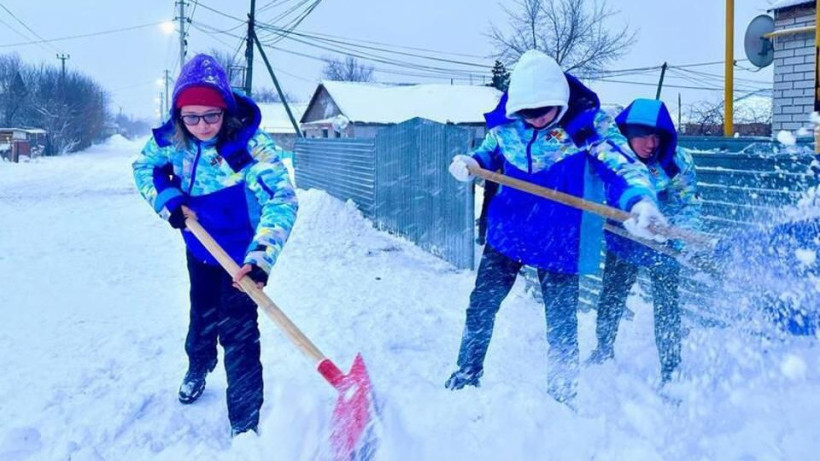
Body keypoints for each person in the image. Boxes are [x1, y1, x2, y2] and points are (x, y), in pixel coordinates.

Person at [445, 50, 665, 403]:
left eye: (542, 112)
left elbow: (624, 166)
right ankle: (465, 375)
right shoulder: (507, 124)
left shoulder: (590, 127)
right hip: (509, 231)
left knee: (561, 327)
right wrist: (473, 162)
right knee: (481, 306)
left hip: (561, 239)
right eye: (525, 114)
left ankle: (561, 399)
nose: (533, 121)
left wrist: (639, 201)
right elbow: (490, 152)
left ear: (560, 100)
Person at [132, 54, 298, 436]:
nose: (202, 125)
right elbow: (144, 168)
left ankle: (245, 420)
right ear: (179, 116)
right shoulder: (172, 140)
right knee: (202, 318)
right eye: (191, 117)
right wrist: (167, 199)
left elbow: (282, 199)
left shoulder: (248, 147)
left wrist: (261, 259)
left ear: (225, 110)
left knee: (239, 334)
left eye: (211, 115)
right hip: (200, 250)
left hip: (242, 259)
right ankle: (198, 365)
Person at [587, 98, 701, 385]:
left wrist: (678, 239)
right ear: (627, 134)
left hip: (662, 245)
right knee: (611, 297)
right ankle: (603, 349)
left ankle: (671, 369)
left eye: (657, 137)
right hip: (622, 239)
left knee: (667, 308)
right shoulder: (613, 157)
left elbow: (687, 205)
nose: (652, 144)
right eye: (643, 137)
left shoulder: (676, 162)